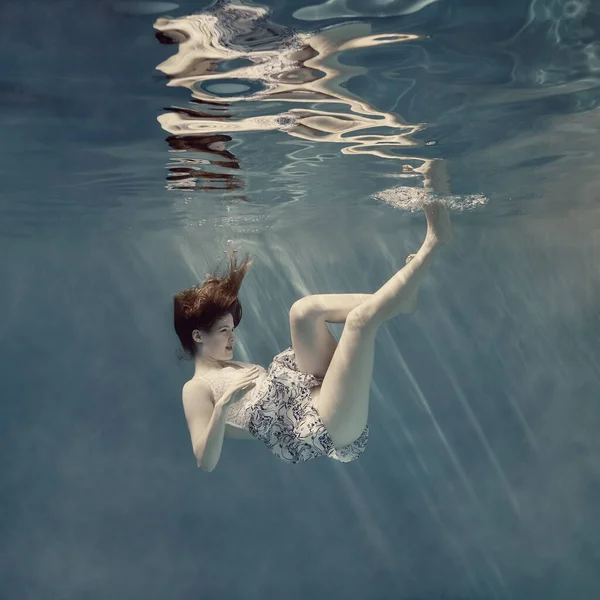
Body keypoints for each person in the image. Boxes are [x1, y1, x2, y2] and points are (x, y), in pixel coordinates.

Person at [173, 160, 453, 471]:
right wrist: (222, 407)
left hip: (311, 391)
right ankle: (434, 242)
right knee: (359, 322)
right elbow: (204, 460)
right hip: (325, 425)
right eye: (223, 331)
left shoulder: (229, 363)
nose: (232, 336)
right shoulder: (196, 389)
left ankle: (401, 299)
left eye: (231, 328)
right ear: (198, 336)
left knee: (303, 311)